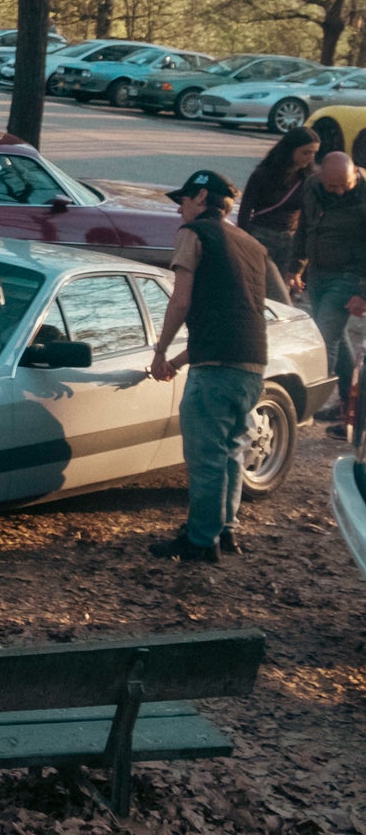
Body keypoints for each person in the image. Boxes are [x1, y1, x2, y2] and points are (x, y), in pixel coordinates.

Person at [147, 170, 275, 563]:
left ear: (201, 196)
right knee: (232, 450)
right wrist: (178, 361)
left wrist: (160, 350)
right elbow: (232, 316)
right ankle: (226, 530)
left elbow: (181, 301)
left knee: (205, 457)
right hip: (252, 363)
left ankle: (201, 540)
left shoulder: (194, 234)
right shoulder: (251, 244)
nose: (179, 211)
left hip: (215, 368)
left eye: (183, 201)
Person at [291, 151, 366, 426]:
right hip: (318, 272)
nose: (339, 191)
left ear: (354, 173)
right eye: (332, 186)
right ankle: (349, 406)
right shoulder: (313, 186)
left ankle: (307, 407)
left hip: (349, 277)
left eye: (345, 185)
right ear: (321, 176)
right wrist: (295, 267)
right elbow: (305, 228)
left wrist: (363, 293)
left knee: (324, 337)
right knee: (337, 338)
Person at [238, 127, 318, 273]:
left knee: (282, 284)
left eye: (313, 153)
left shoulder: (309, 179)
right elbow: (245, 210)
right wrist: (244, 241)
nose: (310, 158)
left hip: (290, 240)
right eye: (305, 152)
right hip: (261, 235)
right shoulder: (263, 174)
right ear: (290, 150)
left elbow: (309, 217)